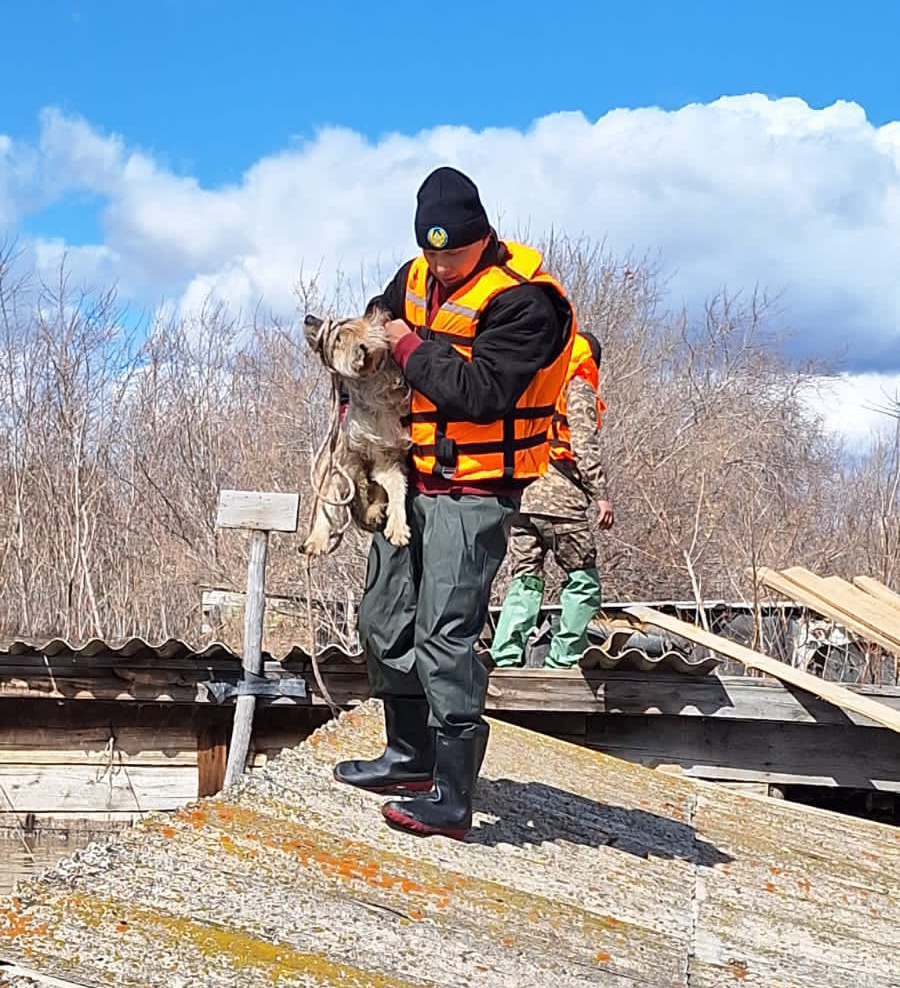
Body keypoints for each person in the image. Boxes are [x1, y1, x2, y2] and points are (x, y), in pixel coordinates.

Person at [332, 166, 576, 839]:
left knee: (445, 633)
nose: (438, 266)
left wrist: (405, 344)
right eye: (431, 252)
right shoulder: (410, 280)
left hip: (475, 490)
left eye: (453, 254)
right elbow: (367, 336)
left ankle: (452, 789)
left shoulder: (526, 302)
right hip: (407, 476)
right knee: (384, 617)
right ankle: (407, 755)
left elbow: (478, 392)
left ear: (483, 236)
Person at [489, 331, 614, 669]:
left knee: (525, 576)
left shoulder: (535, 384)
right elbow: (584, 446)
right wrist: (600, 496)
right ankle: (564, 660)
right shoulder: (579, 387)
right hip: (560, 501)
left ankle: (505, 656)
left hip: (520, 495)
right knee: (582, 577)